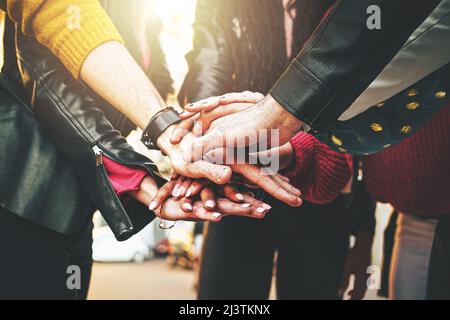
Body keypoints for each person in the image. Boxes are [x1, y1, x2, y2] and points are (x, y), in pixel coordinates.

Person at [0, 0, 273, 299]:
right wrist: (151, 160)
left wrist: (197, 141)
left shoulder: (142, 15)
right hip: (24, 191)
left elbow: (152, 84)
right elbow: (49, 79)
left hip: (78, 200)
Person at [177, 0, 354, 300]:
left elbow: (355, 102)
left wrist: (363, 230)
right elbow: (209, 62)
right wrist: (203, 132)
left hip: (320, 190)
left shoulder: (345, 8)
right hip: (239, 188)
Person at [179, 0, 448, 159]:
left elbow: (372, 30)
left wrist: (282, 121)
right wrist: (206, 125)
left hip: (314, 155)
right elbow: (210, 53)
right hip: (243, 141)